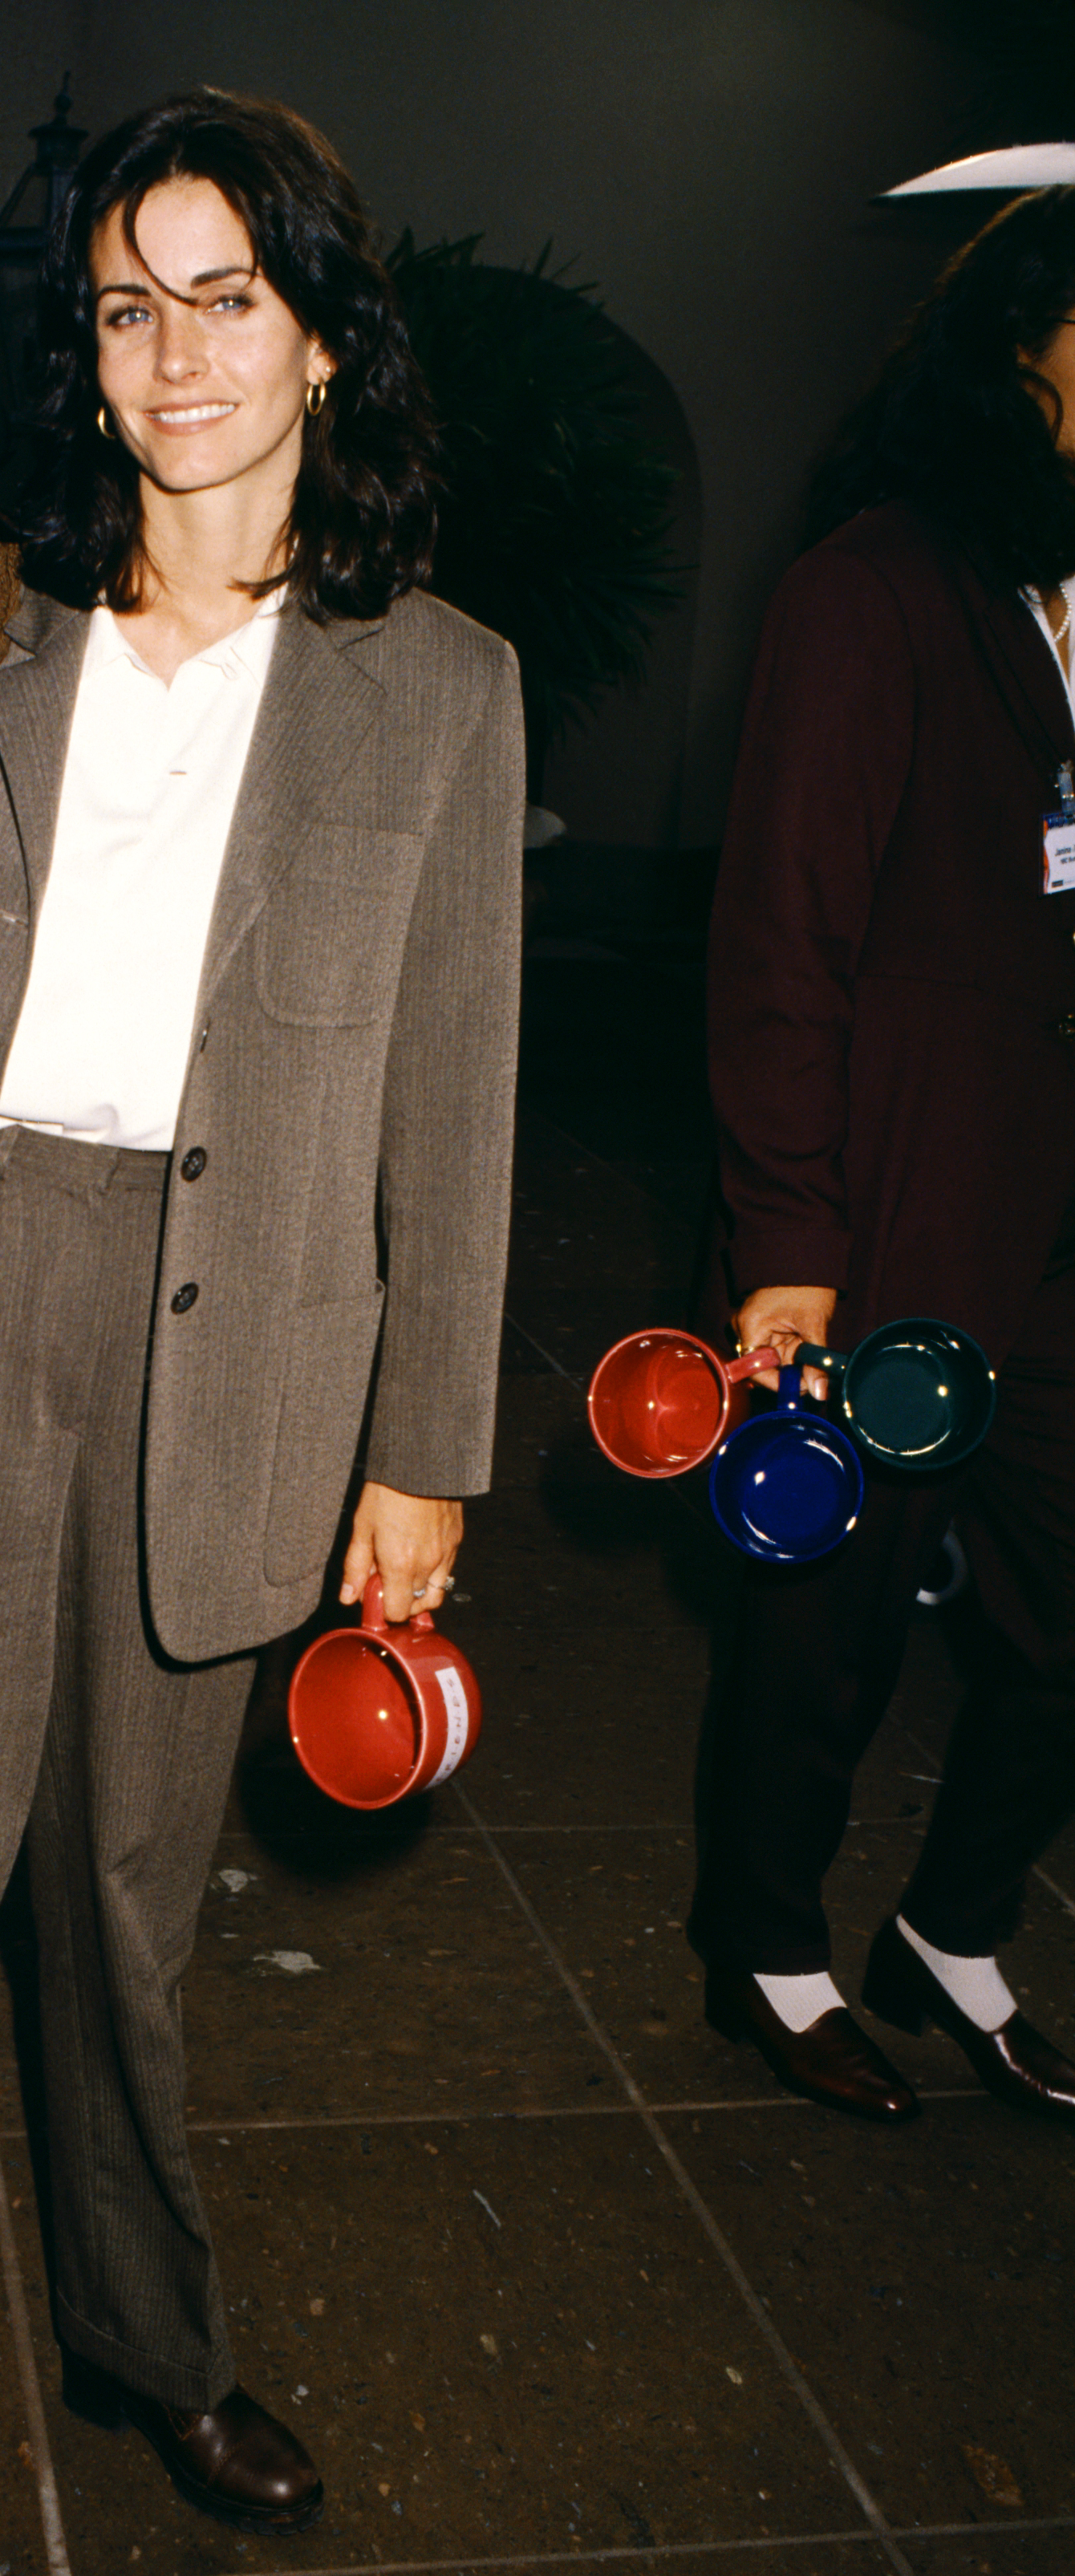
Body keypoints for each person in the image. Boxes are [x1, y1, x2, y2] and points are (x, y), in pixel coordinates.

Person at [0, 89, 522, 2576]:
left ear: (328, 342)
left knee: (130, 1920)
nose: (175, 359)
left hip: (226, 1341)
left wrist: (426, 1441)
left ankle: (157, 2341)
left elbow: (456, 1094)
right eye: (131, 308)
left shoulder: (439, 690)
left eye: (228, 300)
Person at [691, 186, 1075, 2128]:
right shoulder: (874, 585)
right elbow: (780, 932)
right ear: (1025, 345)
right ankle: (763, 1944)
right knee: (829, 1614)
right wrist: (787, 1234)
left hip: (1055, 1221)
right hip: (892, 1208)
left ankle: (950, 1925)